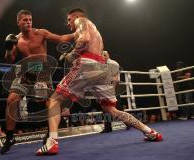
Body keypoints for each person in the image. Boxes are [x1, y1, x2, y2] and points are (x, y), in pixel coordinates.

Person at [36, 8, 163, 156]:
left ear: (76, 16)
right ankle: (150, 132)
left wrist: (72, 55)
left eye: (69, 19)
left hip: (87, 64)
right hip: (102, 68)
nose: (68, 22)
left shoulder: (81, 21)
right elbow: (66, 37)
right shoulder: (92, 28)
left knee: (54, 100)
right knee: (112, 110)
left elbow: (84, 39)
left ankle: (52, 142)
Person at [1, 9, 74, 155]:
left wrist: (78, 33)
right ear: (18, 22)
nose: (28, 22)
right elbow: (9, 60)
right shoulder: (16, 39)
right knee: (11, 100)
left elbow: (61, 38)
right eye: (25, 20)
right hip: (26, 73)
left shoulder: (40, 33)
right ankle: (9, 138)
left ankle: (50, 134)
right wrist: (9, 49)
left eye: (30, 19)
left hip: (42, 72)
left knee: (49, 103)